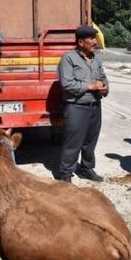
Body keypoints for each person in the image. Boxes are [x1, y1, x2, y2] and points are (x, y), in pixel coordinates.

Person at [57, 25, 109, 183]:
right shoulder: (68, 59)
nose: (95, 41)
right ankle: (66, 175)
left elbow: (103, 77)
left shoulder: (96, 59)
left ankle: (87, 169)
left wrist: (104, 88)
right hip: (76, 108)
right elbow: (66, 83)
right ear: (80, 42)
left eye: (95, 38)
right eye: (91, 39)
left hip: (95, 107)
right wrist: (90, 86)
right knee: (73, 143)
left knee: (90, 142)